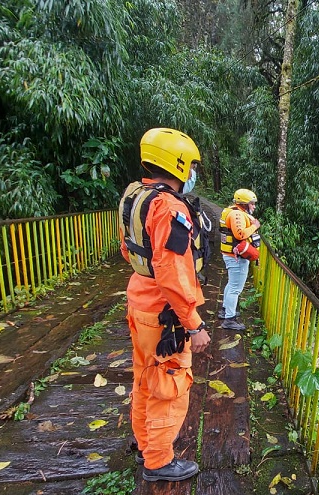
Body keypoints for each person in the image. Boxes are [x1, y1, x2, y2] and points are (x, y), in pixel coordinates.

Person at [117, 128, 211, 482]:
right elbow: (172, 272)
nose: (192, 174)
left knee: (145, 376)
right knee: (168, 384)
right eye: (191, 167)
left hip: (139, 296)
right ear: (178, 164)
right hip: (164, 310)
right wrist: (194, 324)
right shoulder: (169, 206)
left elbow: (129, 248)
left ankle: (145, 444)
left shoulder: (135, 196)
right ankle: (158, 461)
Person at [218, 188, 261, 330]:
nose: (254, 206)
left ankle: (225, 310)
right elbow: (240, 234)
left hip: (230, 255)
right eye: (252, 203)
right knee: (235, 288)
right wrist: (254, 226)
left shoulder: (232, 211)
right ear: (244, 204)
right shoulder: (237, 214)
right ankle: (229, 319)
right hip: (236, 257)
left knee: (231, 285)